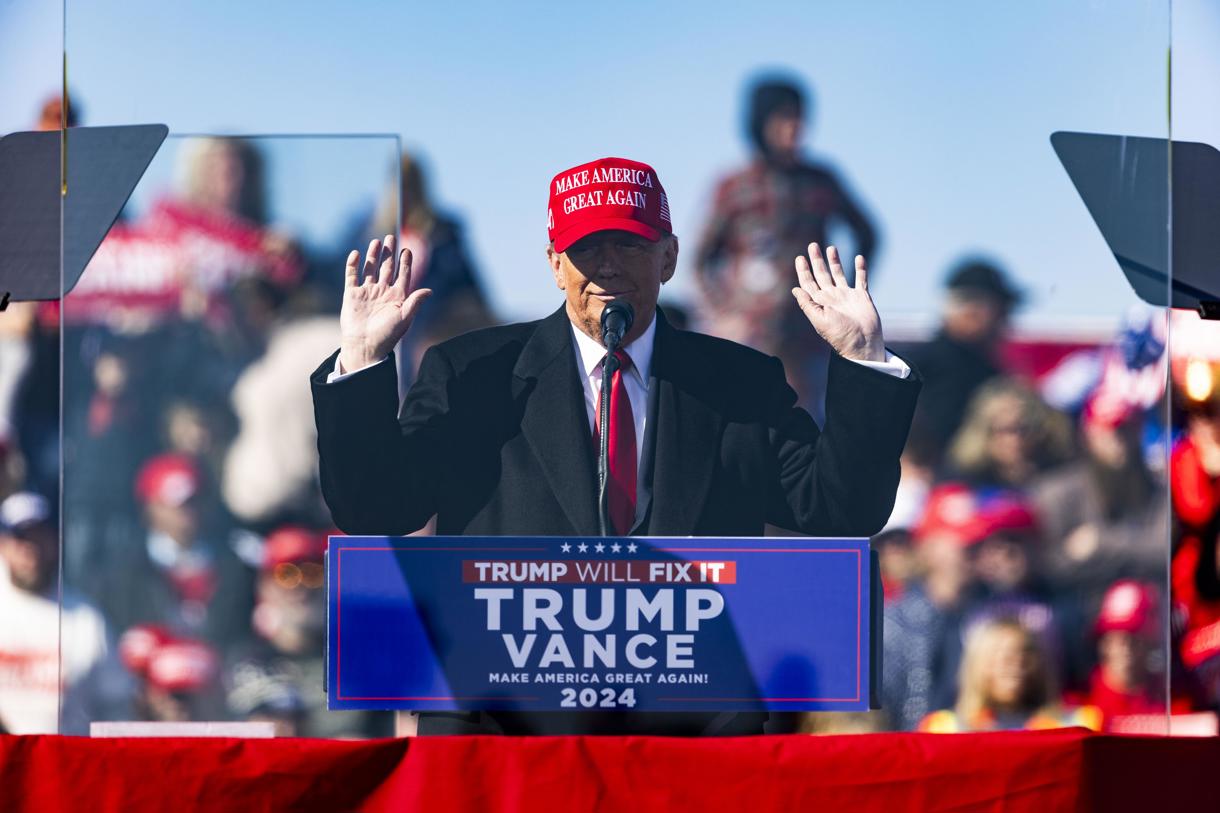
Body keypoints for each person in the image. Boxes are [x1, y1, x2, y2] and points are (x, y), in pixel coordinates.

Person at [312, 156, 920, 736]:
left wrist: (861, 358)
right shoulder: (472, 374)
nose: (606, 265)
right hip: (507, 735)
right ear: (555, 263)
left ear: (670, 257)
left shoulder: (739, 382)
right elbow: (376, 509)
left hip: (691, 738)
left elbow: (840, 512)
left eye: (628, 243)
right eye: (585, 248)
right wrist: (364, 363)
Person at [694, 76, 879, 411]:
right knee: (744, 417)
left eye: (800, 118)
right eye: (783, 119)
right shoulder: (734, 186)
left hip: (809, 333)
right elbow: (701, 259)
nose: (795, 128)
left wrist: (845, 295)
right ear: (761, 124)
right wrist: (723, 311)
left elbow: (868, 234)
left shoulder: (821, 181)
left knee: (805, 420)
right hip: (749, 334)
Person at [0, 492, 129, 733]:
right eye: (21, 539)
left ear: (57, 542)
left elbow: (117, 703)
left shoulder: (85, 619)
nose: (31, 550)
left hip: (64, 763)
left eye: (41, 538)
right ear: (3, 546)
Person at [901, 259, 1023, 462]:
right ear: (971, 310)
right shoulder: (918, 365)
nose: (1006, 320)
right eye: (1001, 310)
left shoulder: (989, 369)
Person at [918, 617, 1100, 733]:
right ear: (977, 665)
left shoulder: (1076, 726)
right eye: (1001, 656)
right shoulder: (944, 729)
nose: (1015, 665)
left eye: (1024, 654)